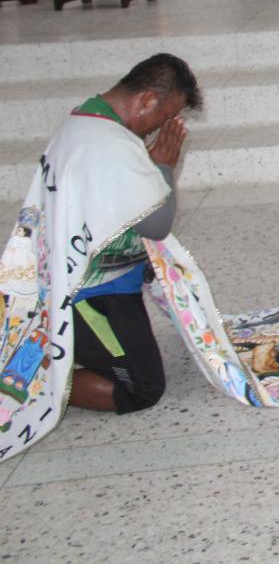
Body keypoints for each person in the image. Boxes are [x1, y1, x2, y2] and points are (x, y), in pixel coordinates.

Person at [47, 57, 198, 418]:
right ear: (146, 100)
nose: (156, 131)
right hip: (89, 295)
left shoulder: (87, 117)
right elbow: (156, 225)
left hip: (91, 280)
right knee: (142, 387)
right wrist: (162, 166)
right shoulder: (113, 144)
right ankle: (35, 379)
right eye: (161, 120)